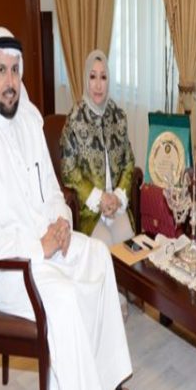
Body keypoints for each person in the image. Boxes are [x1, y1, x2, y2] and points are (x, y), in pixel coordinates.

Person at [0, 27, 132, 390]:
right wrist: (40, 246)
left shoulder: (29, 123)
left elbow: (52, 188)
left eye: (15, 70)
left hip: (46, 244)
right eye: (1, 71)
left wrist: (62, 222)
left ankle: (103, 380)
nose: (10, 82)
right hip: (8, 267)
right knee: (65, 296)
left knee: (99, 256)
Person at [60, 50, 136, 247]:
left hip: (116, 205)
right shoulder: (75, 119)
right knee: (103, 247)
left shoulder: (118, 117)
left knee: (127, 243)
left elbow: (129, 162)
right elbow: (68, 170)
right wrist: (98, 197)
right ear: (86, 79)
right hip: (90, 210)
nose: (98, 85)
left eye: (103, 77)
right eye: (93, 76)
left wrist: (118, 197)